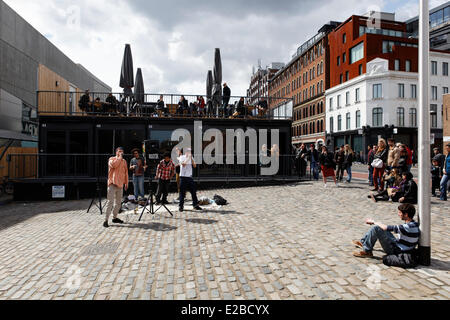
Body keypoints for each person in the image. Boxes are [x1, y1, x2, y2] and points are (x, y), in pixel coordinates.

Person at [352, 203, 420, 258]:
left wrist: (373, 222)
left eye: (400, 212)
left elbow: (385, 227)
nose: (398, 214)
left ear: (406, 214)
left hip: (397, 250)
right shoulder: (414, 224)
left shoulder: (406, 227)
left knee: (376, 228)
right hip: (401, 246)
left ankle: (367, 251)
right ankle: (364, 243)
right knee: (379, 228)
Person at [104, 147, 128, 228]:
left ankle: (114, 217)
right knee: (110, 202)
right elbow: (114, 165)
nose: (121, 153)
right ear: (116, 152)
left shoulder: (124, 161)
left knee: (118, 203)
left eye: (122, 151)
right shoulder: (111, 159)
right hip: (112, 184)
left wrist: (126, 182)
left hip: (120, 184)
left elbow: (126, 172)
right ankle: (106, 220)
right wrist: (119, 157)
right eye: (119, 151)